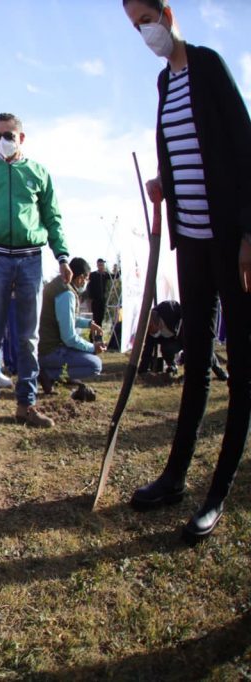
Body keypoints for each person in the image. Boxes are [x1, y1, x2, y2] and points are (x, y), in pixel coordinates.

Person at [123, 0, 251, 543]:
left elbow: (244, 150)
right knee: (196, 356)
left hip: (232, 242)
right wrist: (162, 184)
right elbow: (178, 154)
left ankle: (216, 490)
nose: (143, 30)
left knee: (240, 362)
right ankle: (174, 477)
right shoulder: (162, 85)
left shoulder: (209, 64)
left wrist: (248, 234)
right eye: (134, 25)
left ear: (167, 13)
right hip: (192, 245)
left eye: (146, 18)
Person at [0, 113, 71, 428]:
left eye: (8, 134)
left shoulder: (38, 172)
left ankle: (27, 404)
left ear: (21, 138)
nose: (2, 140)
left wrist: (62, 255)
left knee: (28, 336)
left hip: (30, 259)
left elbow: (52, 216)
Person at [37, 257, 105, 392]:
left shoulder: (58, 286)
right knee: (95, 365)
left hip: (43, 347)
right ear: (80, 278)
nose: (86, 282)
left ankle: (55, 374)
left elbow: (66, 318)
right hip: (49, 351)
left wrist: (89, 324)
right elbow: (69, 338)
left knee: (85, 354)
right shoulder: (66, 294)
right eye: (86, 278)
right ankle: (49, 375)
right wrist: (93, 348)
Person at [88, 258, 111, 328]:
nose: (102, 266)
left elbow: (114, 276)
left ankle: (98, 335)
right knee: (95, 318)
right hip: (95, 300)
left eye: (103, 265)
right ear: (97, 265)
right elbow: (89, 287)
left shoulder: (105, 275)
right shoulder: (93, 275)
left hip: (102, 300)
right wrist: (91, 298)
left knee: (100, 318)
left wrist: (121, 270)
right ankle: (92, 336)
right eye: (100, 265)